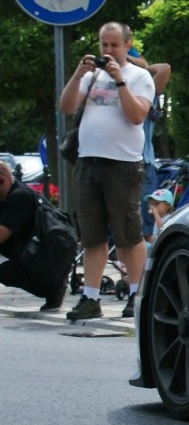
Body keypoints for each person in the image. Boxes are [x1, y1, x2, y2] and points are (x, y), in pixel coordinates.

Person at [58, 22, 156, 321]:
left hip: (122, 165)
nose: (109, 51)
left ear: (128, 45)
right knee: (91, 236)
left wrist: (120, 81)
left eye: (115, 45)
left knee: (128, 234)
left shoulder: (139, 77)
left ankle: (138, 295)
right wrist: (79, 74)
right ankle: (90, 298)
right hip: (89, 162)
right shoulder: (92, 77)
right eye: (104, 45)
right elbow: (66, 107)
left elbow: (137, 115)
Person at [0, 162, 68, 310]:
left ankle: (53, 288)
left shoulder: (20, 196)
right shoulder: (4, 198)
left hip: (51, 251)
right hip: (33, 247)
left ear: (2, 180)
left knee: (5, 273)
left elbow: (2, 233)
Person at [138, 62, 171, 243]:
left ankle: (149, 260)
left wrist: (135, 63)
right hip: (118, 162)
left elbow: (164, 69)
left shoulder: (146, 90)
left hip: (143, 162)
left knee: (147, 218)